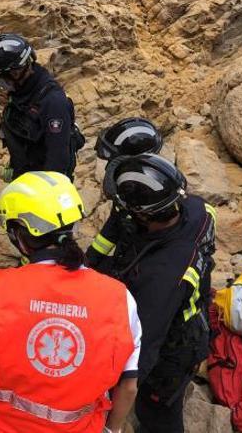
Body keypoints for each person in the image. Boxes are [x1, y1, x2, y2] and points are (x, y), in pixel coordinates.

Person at [0, 171, 141, 433]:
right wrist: (112, 429)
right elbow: (128, 386)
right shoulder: (120, 298)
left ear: (19, 233)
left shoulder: (1, 290)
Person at [97, 153, 216, 433]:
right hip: (192, 314)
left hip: (173, 351)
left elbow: (145, 345)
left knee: (157, 413)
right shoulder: (198, 211)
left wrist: (117, 393)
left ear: (143, 213)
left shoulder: (161, 276)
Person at [0, 33, 82, 180]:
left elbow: (57, 160)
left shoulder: (52, 102)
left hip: (45, 187)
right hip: (26, 176)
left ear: (16, 72)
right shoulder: (22, 92)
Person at [86, 117, 163, 268]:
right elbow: (112, 230)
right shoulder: (127, 194)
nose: (109, 168)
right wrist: (87, 261)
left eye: (115, 162)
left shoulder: (156, 199)